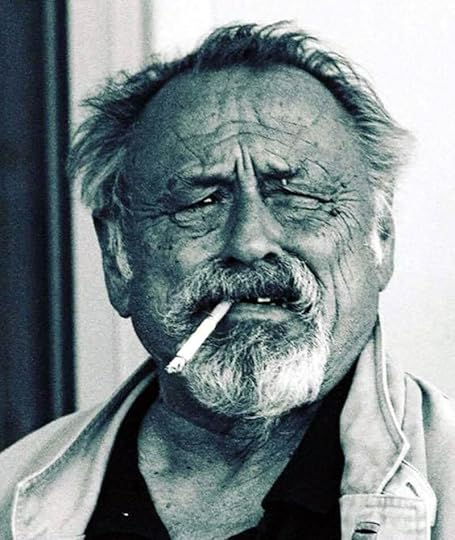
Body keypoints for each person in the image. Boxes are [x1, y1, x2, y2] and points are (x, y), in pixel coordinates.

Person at [0, 22, 454, 539]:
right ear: (118, 255)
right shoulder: (12, 499)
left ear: (381, 238)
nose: (249, 240)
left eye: (297, 196)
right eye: (201, 201)